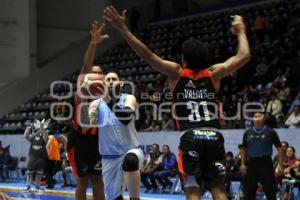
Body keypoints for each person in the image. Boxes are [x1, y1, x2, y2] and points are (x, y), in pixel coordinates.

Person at [104, 6, 250, 200]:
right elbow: (244, 56)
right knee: (219, 190)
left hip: (191, 136)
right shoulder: (214, 74)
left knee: (192, 190)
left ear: (184, 57)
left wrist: (123, 29)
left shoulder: (177, 73)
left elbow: (148, 55)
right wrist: (241, 31)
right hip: (214, 136)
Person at [67, 21, 107, 200]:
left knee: (98, 181)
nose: (95, 75)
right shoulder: (81, 94)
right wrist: (93, 44)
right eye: (93, 73)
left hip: (97, 141)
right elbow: (85, 68)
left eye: (99, 74)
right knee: (82, 182)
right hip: (79, 142)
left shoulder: (106, 96)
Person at [89, 71, 144, 200]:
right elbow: (91, 126)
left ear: (121, 83)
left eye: (114, 79)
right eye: (108, 79)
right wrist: (92, 111)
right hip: (109, 158)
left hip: (131, 150)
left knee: (130, 160)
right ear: (103, 84)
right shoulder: (96, 104)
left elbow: (125, 118)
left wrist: (107, 99)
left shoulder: (129, 98)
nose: (111, 81)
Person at [240, 111, 284, 200]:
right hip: (251, 164)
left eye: (259, 116)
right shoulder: (247, 132)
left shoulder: (271, 132)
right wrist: (242, 164)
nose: (257, 118)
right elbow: (243, 149)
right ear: (253, 119)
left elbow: (280, 149)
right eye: (255, 116)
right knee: (249, 192)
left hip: (266, 163)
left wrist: (280, 165)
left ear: (264, 119)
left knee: (270, 191)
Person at [24, 119, 50, 192]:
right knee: (29, 173)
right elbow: (26, 136)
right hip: (32, 158)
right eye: (38, 129)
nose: (38, 130)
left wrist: (42, 128)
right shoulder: (33, 137)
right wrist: (28, 127)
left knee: (39, 174)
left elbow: (46, 138)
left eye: (39, 129)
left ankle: (37, 186)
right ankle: (28, 186)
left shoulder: (44, 137)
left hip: (41, 159)